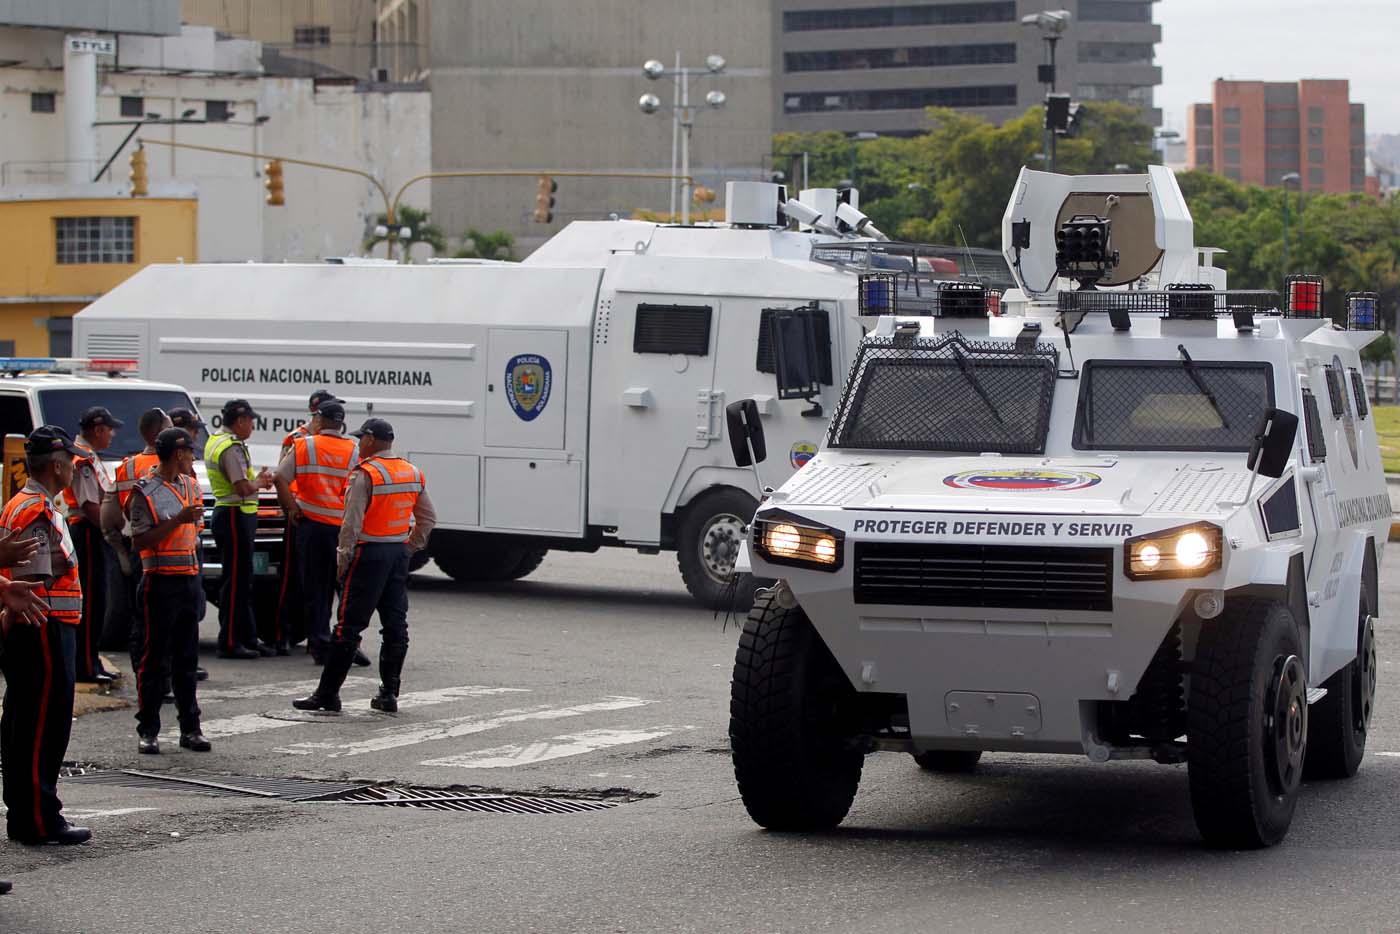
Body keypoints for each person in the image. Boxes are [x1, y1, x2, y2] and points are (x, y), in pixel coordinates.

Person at [295, 419, 434, 713]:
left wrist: (342, 560)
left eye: (361, 439)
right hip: (396, 554)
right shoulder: (412, 471)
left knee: (348, 626)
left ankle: (327, 695)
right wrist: (408, 548)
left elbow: (351, 524)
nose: (358, 444)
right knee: (396, 625)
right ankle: (389, 694)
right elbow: (428, 518)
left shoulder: (366, 474)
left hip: (368, 554)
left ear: (371, 440)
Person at [1, 426, 93, 847]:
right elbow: (34, 576)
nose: (74, 468)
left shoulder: (32, 503)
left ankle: (30, 813)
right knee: (41, 725)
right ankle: (38, 817)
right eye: (71, 461)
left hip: (44, 626)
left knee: (26, 721)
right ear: (57, 466)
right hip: (43, 626)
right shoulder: (35, 509)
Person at [130, 429, 210, 755]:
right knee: (154, 660)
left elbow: (197, 531)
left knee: (187, 659)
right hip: (159, 583)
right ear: (178, 453)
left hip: (188, 580)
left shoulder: (191, 485)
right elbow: (139, 541)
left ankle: (191, 729)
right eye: (190, 451)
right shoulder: (144, 492)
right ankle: (148, 729)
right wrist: (178, 519)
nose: (193, 457)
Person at [272, 399, 368, 667]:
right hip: (343, 528)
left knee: (316, 588)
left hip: (312, 526)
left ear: (321, 420)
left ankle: (319, 643)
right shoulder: (354, 449)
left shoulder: (305, 445)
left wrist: (291, 508)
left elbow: (280, 477)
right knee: (345, 588)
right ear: (340, 423)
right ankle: (346, 641)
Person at [204, 399, 273, 659]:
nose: (253, 426)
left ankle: (247, 637)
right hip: (234, 515)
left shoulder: (216, 440)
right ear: (240, 421)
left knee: (242, 581)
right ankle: (231, 641)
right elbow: (243, 487)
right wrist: (262, 482)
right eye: (251, 421)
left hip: (232, 514)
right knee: (235, 583)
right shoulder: (230, 448)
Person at [102, 407, 170, 672]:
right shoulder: (171, 466)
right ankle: (160, 672)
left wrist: (119, 547)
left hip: (135, 546)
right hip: (163, 549)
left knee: (140, 616)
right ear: (161, 433)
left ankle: (143, 671)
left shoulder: (125, 467)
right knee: (162, 618)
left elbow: (110, 515)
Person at [269, 389, 336, 653]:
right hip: (299, 515)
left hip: (324, 517)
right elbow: (283, 476)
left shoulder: (330, 442)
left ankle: (317, 634)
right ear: (315, 413)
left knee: (324, 582)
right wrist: (292, 508)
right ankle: (282, 634)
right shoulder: (298, 439)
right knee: (292, 578)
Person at [65, 406, 121, 684]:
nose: (112, 435)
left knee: (98, 601)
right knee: (91, 601)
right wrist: (112, 530)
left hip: (91, 531)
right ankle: (84, 665)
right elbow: (90, 505)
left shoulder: (88, 456)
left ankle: (90, 659)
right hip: (87, 532)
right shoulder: (82, 460)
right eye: (110, 429)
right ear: (98, 430)